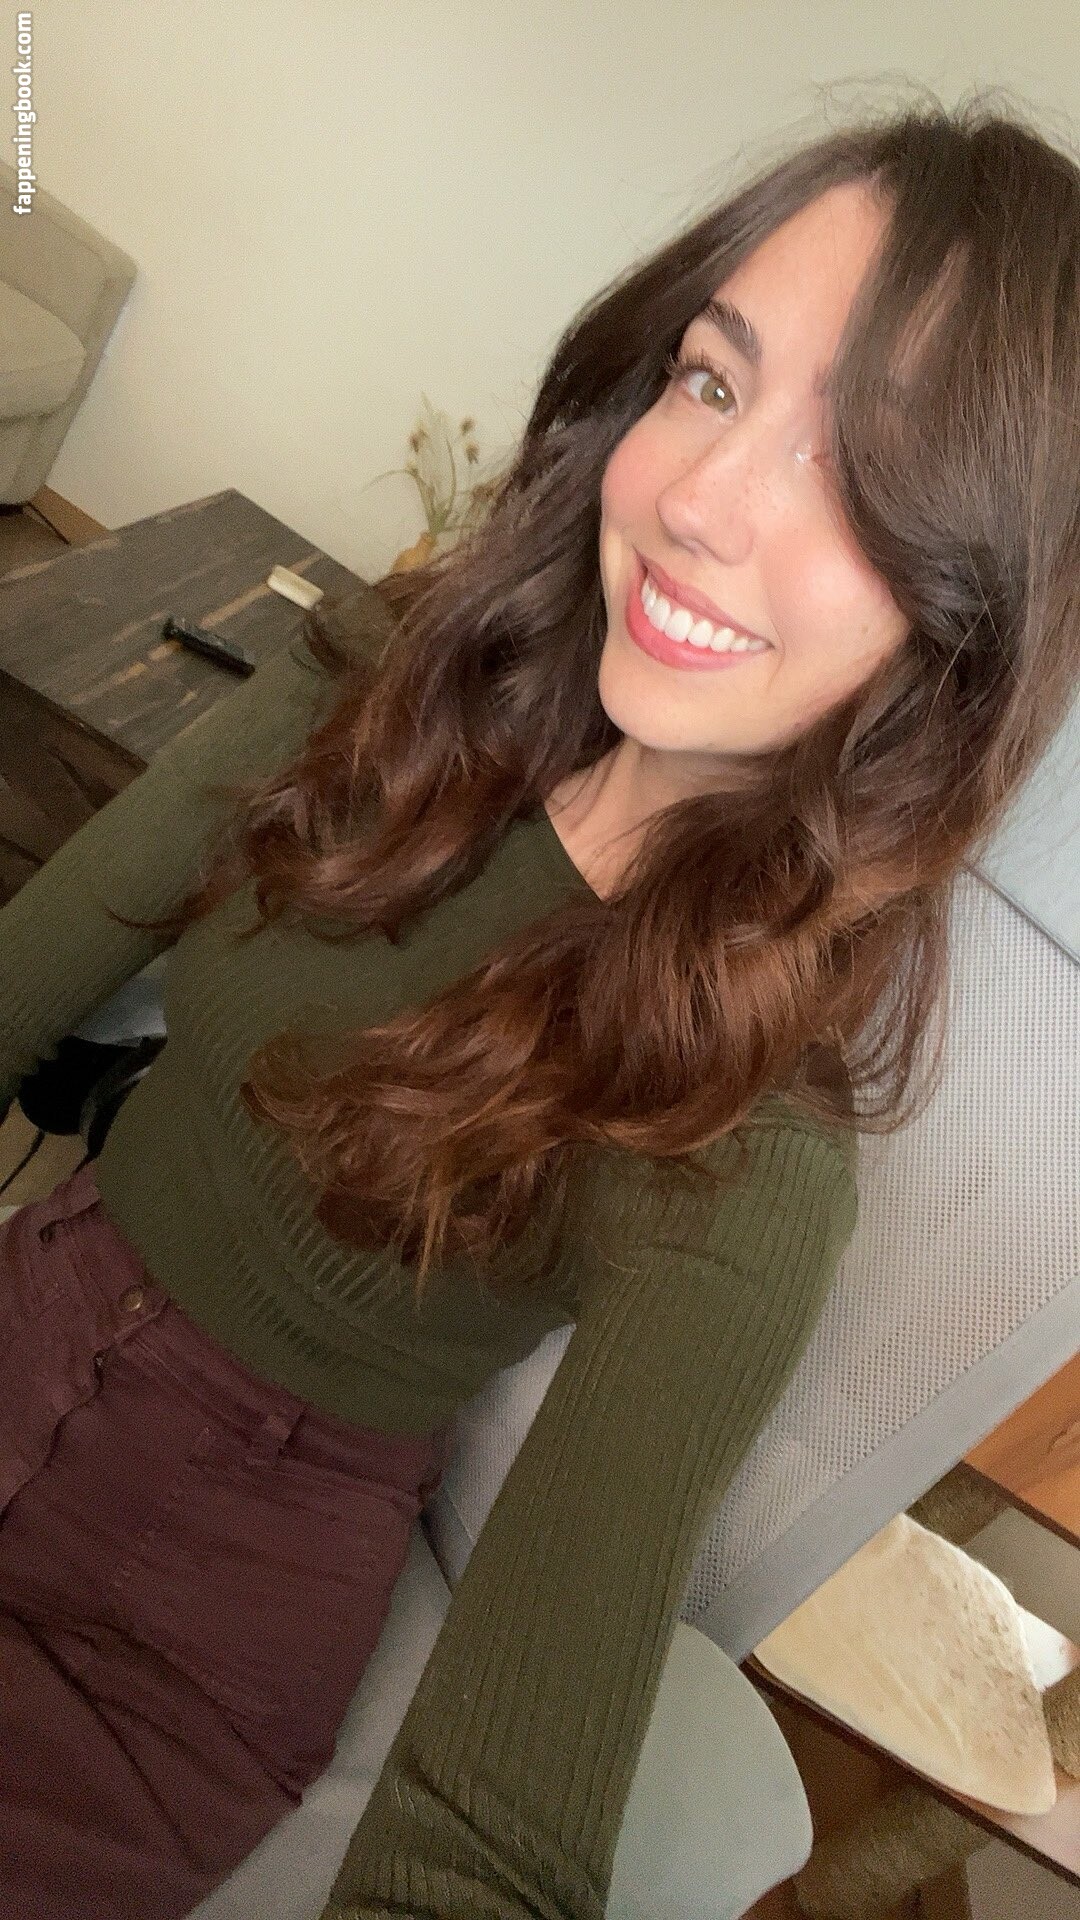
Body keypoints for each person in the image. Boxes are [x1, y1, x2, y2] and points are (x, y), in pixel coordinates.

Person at [1, 88, 1078, 1920]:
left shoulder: (744, 1144)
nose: (700, 503)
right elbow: (55, 941)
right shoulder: (402, 675)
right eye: (714, 381)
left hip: (174, 1628)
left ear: (964, 618)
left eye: (862, 473)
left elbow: (494, 1845)